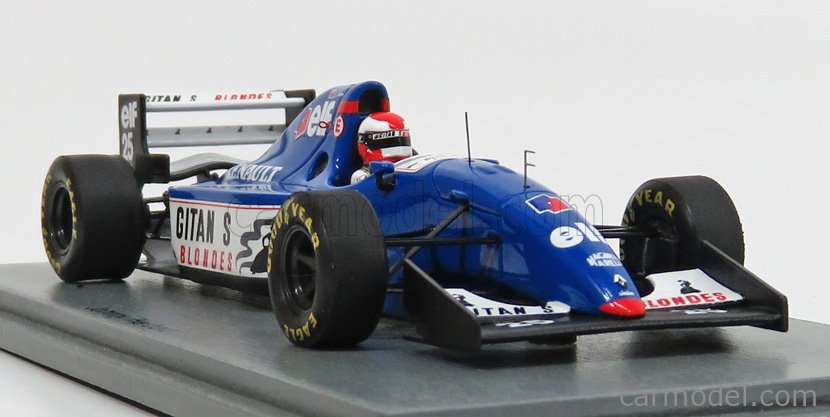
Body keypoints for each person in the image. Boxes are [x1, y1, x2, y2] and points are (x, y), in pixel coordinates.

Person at [351, 112, 413, 184]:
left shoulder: (412, 166)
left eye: (403, 141)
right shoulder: (361, 176)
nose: (399, 153)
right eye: (391, 142)